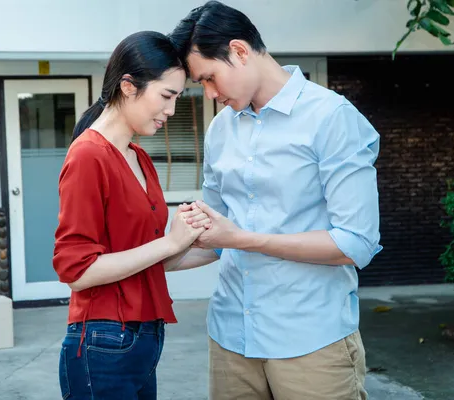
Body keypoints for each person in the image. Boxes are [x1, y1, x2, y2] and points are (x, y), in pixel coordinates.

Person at [167, 2, 382, 399]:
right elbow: (216, 239)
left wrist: (241, 239)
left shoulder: (331, 117)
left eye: (209, 79)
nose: (210, 95)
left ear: (240, 51)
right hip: (231, 337)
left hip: (311, 341)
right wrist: (150, 257)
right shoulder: (220, 131)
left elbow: (356, 243)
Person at [52, 30, 212, 400]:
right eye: (166, 96)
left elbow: (150, 260)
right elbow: (76, 270)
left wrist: (229, 244)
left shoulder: (140, 159)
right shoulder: (88, 155)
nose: (171, 111)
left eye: (177, 98)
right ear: (128, 86)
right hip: (104, 340)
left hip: (143, 339)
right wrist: (170, 241)